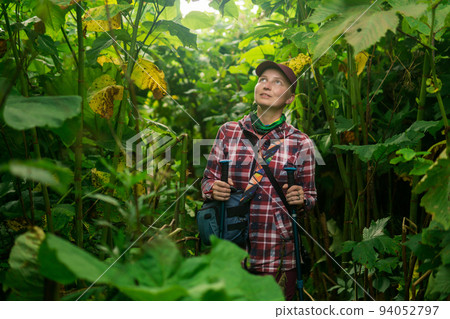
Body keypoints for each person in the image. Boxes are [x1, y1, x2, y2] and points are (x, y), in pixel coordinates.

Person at [201, 61, 317, 300]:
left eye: (277, 82)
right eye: (263, 79)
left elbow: (310, 197)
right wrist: (214, 189)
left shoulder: (300, 141)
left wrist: (301, 198)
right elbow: (208, 180)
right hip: (232, 244)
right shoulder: (228, 131)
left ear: (289, 99)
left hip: (277, 248)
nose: (267, 86)